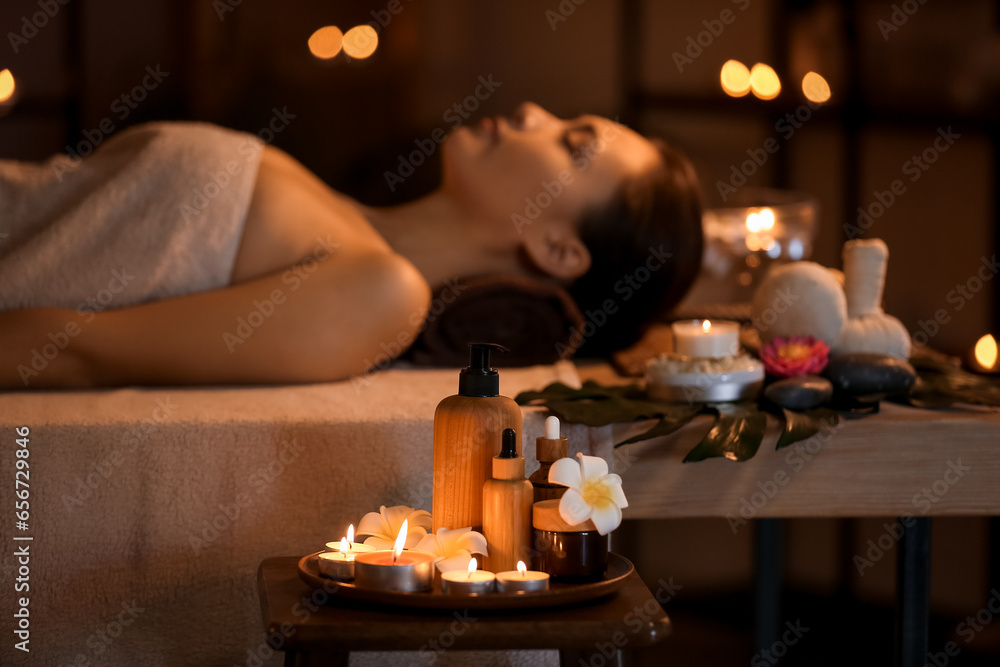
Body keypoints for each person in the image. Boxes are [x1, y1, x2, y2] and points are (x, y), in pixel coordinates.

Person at [0, 102, 703, 388]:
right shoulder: (336, 210)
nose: (532, 113)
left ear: (557, 249)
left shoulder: (380, 292)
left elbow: (73, 348)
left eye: (570, 143)